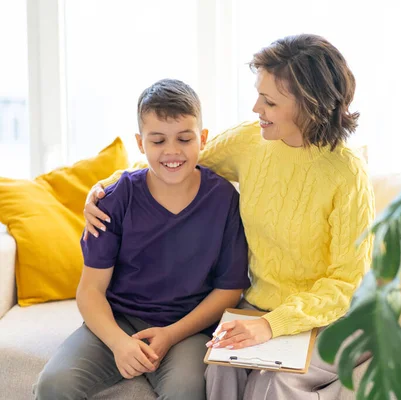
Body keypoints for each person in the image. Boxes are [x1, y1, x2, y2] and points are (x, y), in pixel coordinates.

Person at [84, 34, 374, 400]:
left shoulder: (347, 173)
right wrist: (103, 189)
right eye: (258, 95)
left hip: (337, 317)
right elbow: (178, 160)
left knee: (274, 382)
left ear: (307, 106)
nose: (256, 108)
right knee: (219, 370)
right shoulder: (252, 141)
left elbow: (348, 282)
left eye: (268, 101)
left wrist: (273, 325)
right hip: (261, 306)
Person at [34, 79, 250, 400]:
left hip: (186, 330)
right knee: (55, 384)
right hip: (118, 321)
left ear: (202, 139)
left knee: (187, 390)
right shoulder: (115, 198)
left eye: (184, 138)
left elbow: (229, 289)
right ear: (140, 143)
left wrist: (171, 334)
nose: (172, 151)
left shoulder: (223, 199)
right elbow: (90, 290)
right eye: (158, 140)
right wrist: (118, 342)